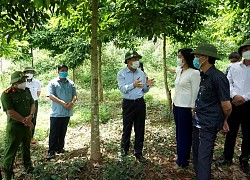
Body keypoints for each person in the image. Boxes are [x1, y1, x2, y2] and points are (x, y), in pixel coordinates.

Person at [191, 44, 232, 180]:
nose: (195, 59)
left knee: (204, 156)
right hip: (198, 121)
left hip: (208, 124)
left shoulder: (218, 77)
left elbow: (226, 106)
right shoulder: (203, 75)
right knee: (197, 153)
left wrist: (224, 120)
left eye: (197, 56)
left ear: (205, 58)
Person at [218, 39, 250, 173]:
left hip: (249, 104)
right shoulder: (233, 67)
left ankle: (244, 159)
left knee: (248, 133)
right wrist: (235, 95)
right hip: (234, 103)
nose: (247, 52)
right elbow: (227, 82)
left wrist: (245, 97)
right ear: (241, 52)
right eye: (245, 49)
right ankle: (227, 157)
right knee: (231, 131)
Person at [117, 50, 154, 163]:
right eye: (134, 59)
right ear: (128, 61)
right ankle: (124, 153)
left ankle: (138, 153)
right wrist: (133, 85)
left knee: (140, 128)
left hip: (140, 103)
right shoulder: (121, 73)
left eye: (137, 59)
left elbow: (143, 90)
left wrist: (147, 86)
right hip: (128, 104)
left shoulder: (141, 73)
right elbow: (122, 88)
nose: (136, 61)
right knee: (127, 128)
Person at [1, 71, 35, 180]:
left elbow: (32, 104)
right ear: (14, 82)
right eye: (20, 81)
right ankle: (8, 174)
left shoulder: (26, 91)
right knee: (11, 151)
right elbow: (10, 112)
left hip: (26, 125)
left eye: (24, 80)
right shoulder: (6, 94)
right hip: (15, 127)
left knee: (26, 147)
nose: (23, 82)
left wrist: (31, 115)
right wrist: (26, 121)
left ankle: (28, 167)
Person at [173, 48, 200, 168]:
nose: (178, 59)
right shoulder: (180, 71)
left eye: (180, 56)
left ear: (186, 57)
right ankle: (181, 155)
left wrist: (193, 108)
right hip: (177, 106)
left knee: (185, 134)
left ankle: (183, 161)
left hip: (186, 107)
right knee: (179, 132)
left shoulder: (194, 73)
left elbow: (195, 92)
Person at [46, 65, 77, 160]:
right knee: (54, 132)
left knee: (63, 131)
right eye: (62, 70)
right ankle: (51, 151)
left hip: (67, 112)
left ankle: (60, 148)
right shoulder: (53, 83)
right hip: (56, 112)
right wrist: (62, 103)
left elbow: (75, 95)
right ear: (58, 71)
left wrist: (72, 102)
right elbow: (50, 96)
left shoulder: (71, 83)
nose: (64, 72)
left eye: (66, 71)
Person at [23, 66, 42, 144]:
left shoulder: (37, 82)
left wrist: (34, 100)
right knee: (24, 118)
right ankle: (23, 137)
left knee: (33, 119)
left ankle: (31, 136)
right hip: (24, 103)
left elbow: (38, 93)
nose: (29, 74)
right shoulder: (22, 82)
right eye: (27, 72)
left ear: (33, 73)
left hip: (34, 102)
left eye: (31, 72)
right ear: (24, 73)